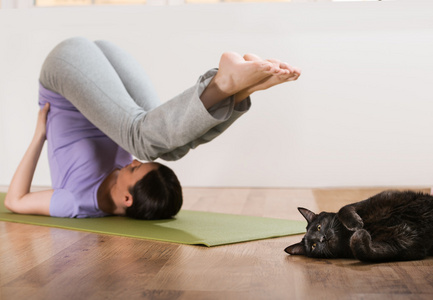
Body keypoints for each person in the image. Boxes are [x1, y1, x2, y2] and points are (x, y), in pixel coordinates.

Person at [4, 37, 301, 220]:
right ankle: (237, 92)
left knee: (142, 142)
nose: (132, 163)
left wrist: (38, 136)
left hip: (64, 69)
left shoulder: (74, 202)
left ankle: (223, 85)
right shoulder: (127, 182)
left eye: (134, 170)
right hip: (102, 64)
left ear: (127, 199)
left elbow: (14, 200)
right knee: (165, 149)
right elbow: (152, 139)